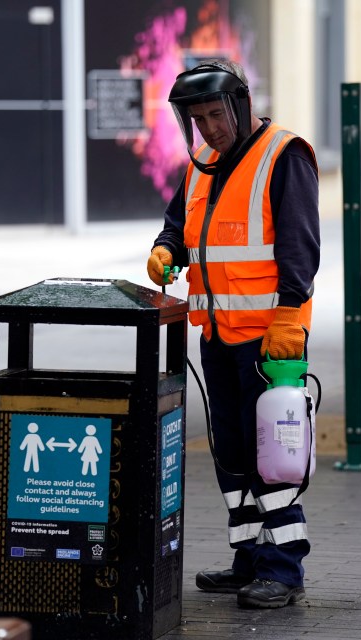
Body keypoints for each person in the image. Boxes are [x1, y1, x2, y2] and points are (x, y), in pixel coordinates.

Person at [146, 58, 319, 609]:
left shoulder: (283, 155)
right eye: (198, 120)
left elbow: (299, 245)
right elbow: (180, 222)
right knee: (233, 455)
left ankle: (283, 569)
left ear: (240, 107)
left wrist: (291, 316)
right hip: (217, 339)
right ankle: (248, 560)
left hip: (271, 342)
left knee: (274, 456)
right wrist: (166, 249)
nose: (210, 129)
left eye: (216, 115)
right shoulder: (201, 163)